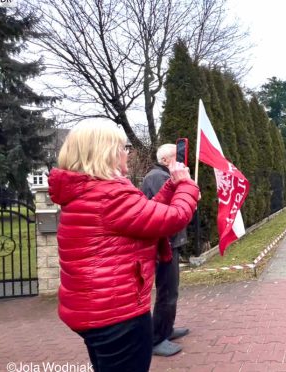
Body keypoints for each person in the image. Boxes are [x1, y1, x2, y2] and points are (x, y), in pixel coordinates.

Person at [48, 122, 199, 372]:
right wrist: (187, 186)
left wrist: (173, 185)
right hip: (116, 314)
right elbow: (174, 217)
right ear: (106, 152)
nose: (127, 152)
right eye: (123, 147)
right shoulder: (110, 195)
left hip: (92, 310)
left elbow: (145, 214)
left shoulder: (88, 191)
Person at [141, 144, 190, 357]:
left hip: (170, 242)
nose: (181, 162)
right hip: (164, 245)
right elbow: (169, 209)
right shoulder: (157, 178)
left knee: (172, 290)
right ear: (165, 160)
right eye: (176, 158)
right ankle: (157, 338)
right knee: (166, 292)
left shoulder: (161, 175)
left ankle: (166, 329)